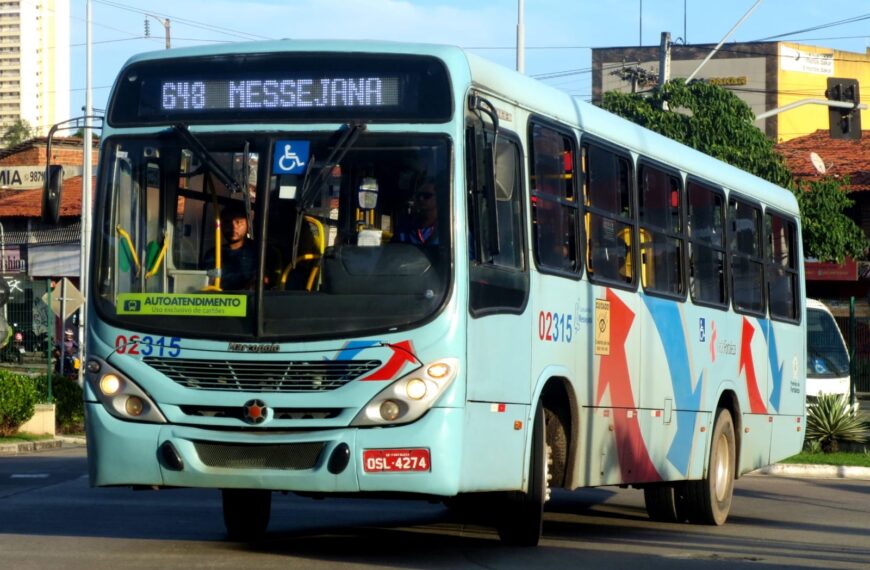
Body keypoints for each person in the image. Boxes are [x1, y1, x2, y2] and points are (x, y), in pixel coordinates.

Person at [205, 202, 257, 290]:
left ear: (248, 224)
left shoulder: (258, 252)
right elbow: (208, 282)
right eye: (227, 222)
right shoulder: (213, 254)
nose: (233, 227)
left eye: (238, 222)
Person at [396, 178, 439, 245]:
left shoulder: (449, 227)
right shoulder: (405, 224)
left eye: (426, 196)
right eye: (418, 196)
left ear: (438, 197)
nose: (421, 199)